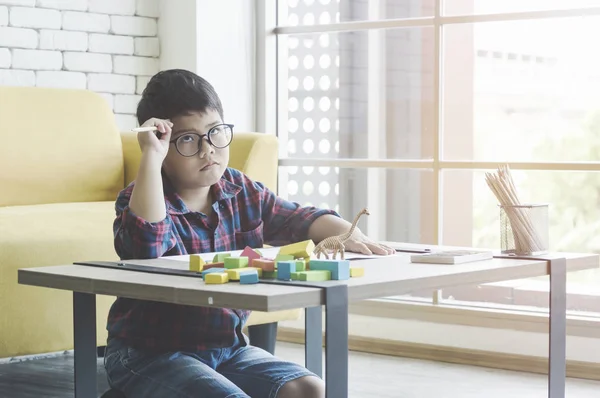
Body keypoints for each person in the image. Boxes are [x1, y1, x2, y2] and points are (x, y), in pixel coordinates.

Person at [103, 69, 395, 398]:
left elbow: (298, 218)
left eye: (215, 132)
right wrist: (150, 158)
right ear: (162, 144)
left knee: (311, 390)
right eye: (187, 139)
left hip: (227, 350)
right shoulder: (141, 197)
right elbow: (145, 247)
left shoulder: (240, 189)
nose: (207, 149)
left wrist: (348, 234)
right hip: (149, 353)